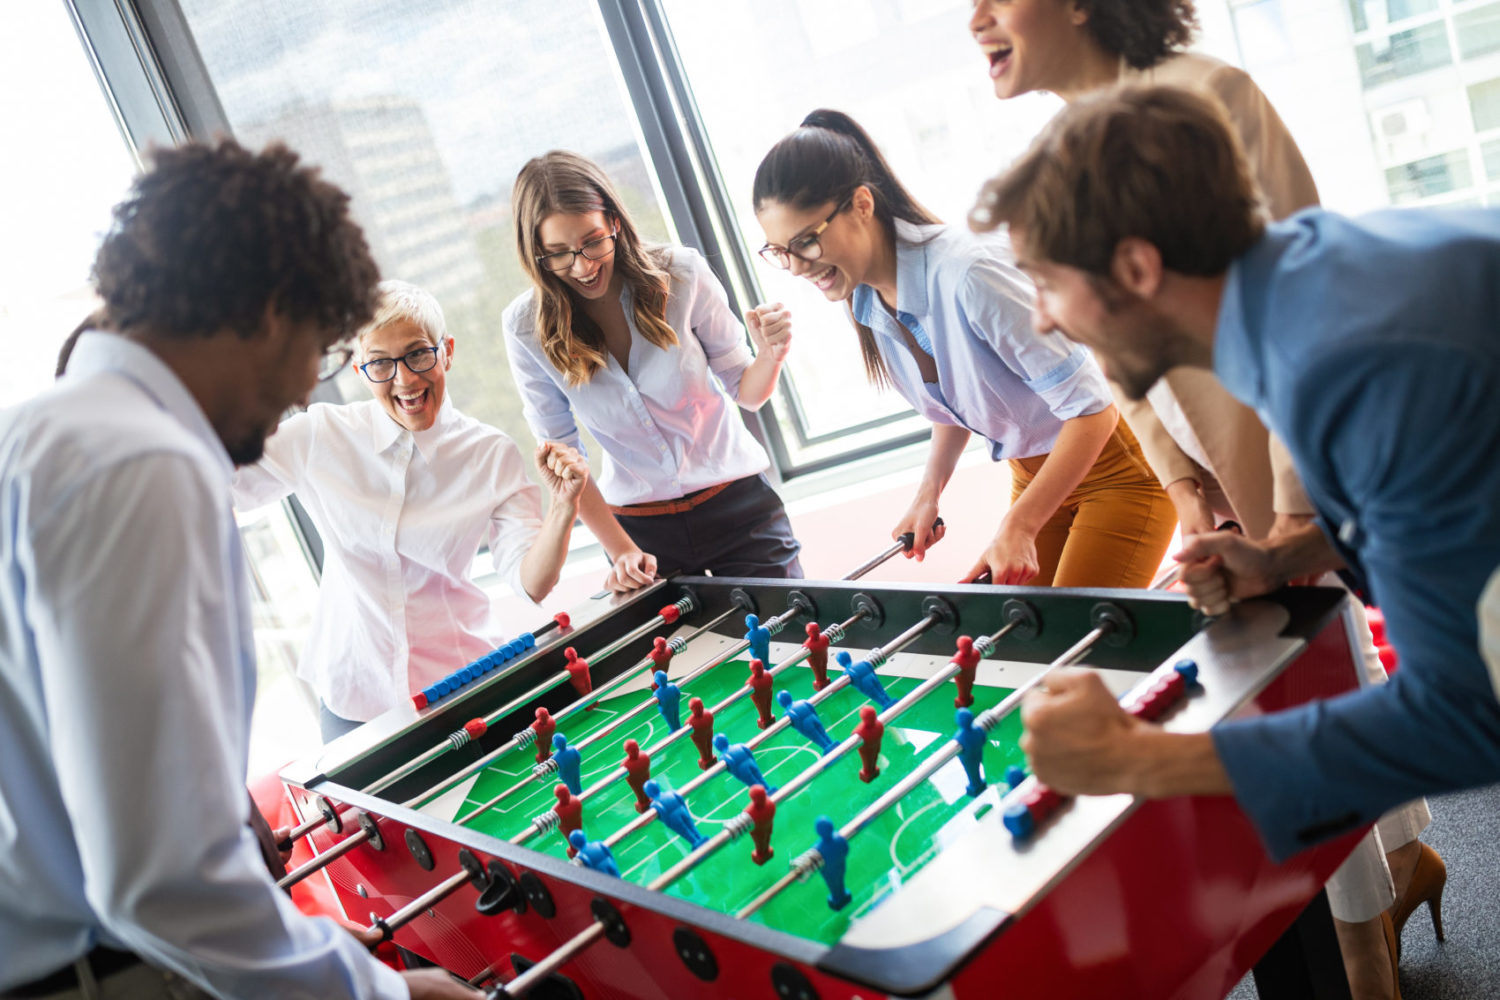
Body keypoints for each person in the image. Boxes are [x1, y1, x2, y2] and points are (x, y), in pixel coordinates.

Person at [974, 84, 1500, 994]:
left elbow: (1467, 715)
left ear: (1138, 268)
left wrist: (1136, 761)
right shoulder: (1298, 287)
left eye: (1051, 285)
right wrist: (1288, 554)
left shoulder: (1345, 361)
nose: (1047, 318)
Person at [0, 139, 478, 998]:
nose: (307, 389)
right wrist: (384, 995)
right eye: (324, 351)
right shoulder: (139, 462)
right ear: (268, 311)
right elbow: (163, 877)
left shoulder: (35, 431)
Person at [753, 110, 1174, 586]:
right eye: (779, 251)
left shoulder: (969, 274)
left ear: (862, 205)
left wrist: (1018, 525)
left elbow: (1094, 411)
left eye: (806, 241)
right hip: (1037, 472)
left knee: (1073, 649)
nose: (796, 267)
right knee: (1023, 644)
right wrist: (928, 493)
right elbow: (951, 401)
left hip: (1116, 467)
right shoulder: (869, 301)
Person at [234, 279, 608, 742]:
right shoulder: (319, 435)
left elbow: (532, 583)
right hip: (355, 697)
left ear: (446, 351)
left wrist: (563, 506)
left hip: (461, 689)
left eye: (417, 354)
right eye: (381, 364)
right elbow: (220, 489)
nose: (405, 379)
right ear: (359, 369)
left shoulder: (489, 452)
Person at [504, 151, 802, 586]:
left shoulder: (682, 273)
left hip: (738, 508)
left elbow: (748, 392)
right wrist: (621, 550)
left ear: (614, 222)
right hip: (636, 532)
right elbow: (567, 462)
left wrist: (770, 353)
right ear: (536, 254)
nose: (583, 266)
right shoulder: (525, 327)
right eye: (559, 254)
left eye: (592, 241)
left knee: (789, 640)